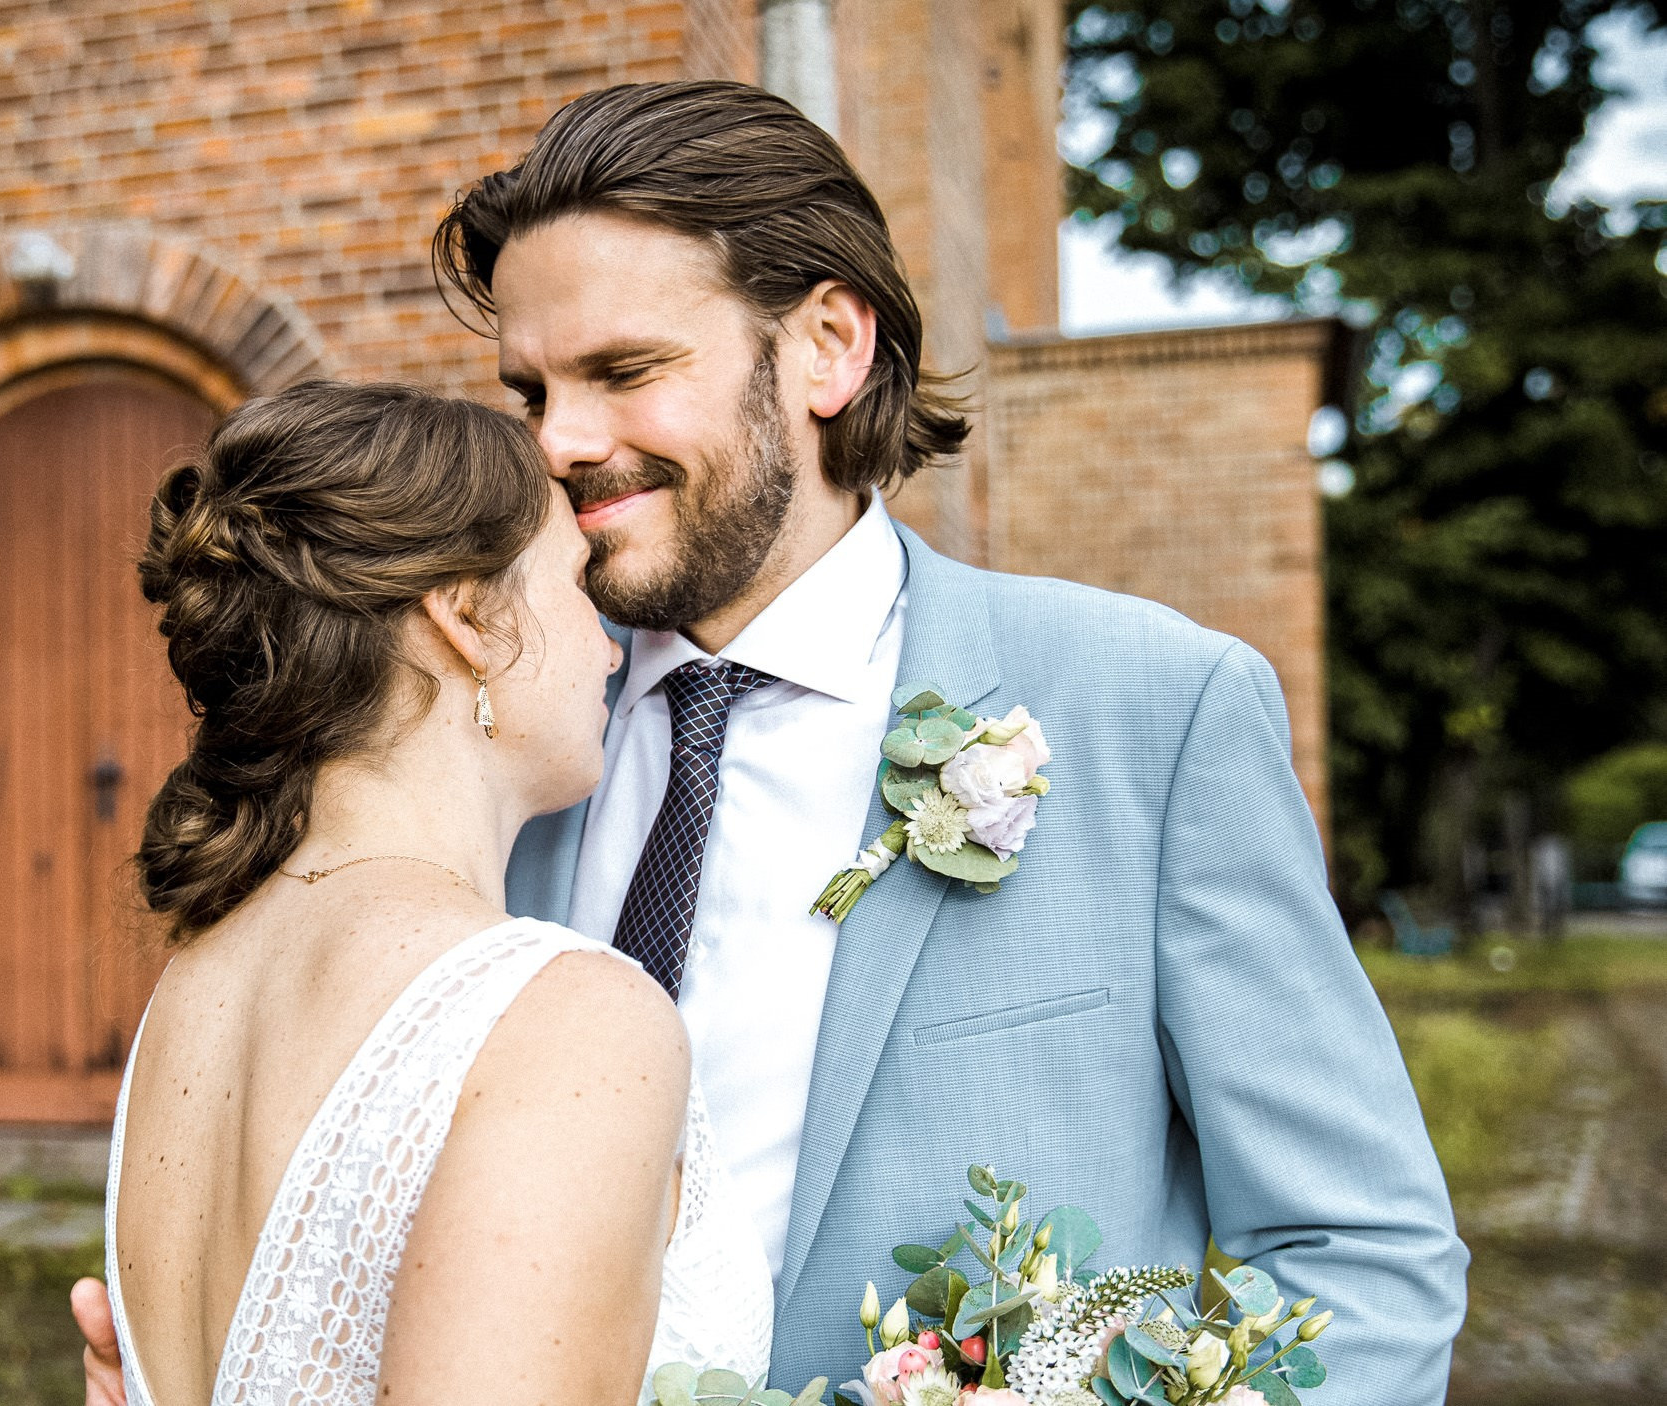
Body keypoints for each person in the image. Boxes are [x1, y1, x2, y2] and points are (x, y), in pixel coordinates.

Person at [79, 80, 1469, 1404]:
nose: (561, 443)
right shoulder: (491, 749)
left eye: (625, 370)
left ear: (826, 346)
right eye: (528, 393)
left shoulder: (1148, 707)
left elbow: (1360, 1253)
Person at [90, 381, 774, 1406]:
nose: (607, 644)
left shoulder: (195, 988)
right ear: (463, 614)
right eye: (575, 584)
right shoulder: (567, 1018)